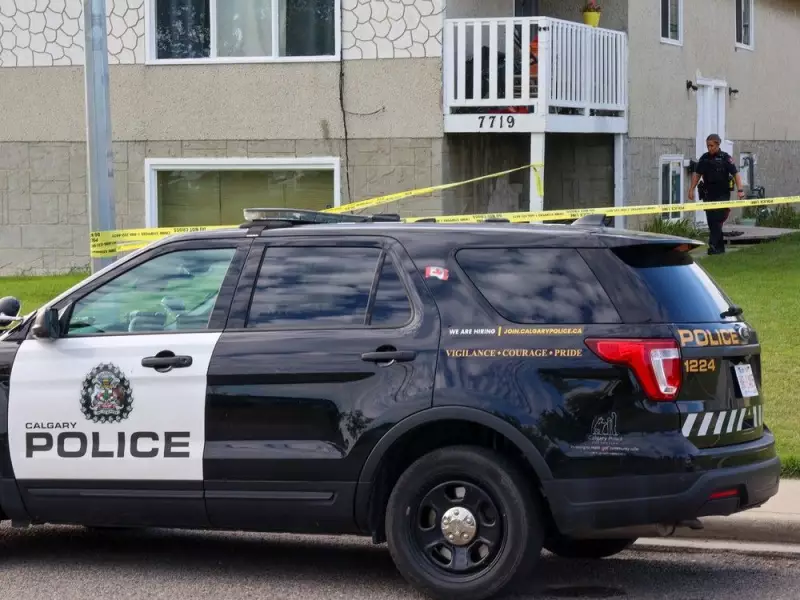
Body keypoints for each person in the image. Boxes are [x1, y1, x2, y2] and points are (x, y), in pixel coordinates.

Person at [688, 134, 745, 254]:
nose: (709, 148)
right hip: (708, 194)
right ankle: (719, 248)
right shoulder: (704, 158)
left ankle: (712, 246)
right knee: (711, 221)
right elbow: (697, 174)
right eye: (708, 146)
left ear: (718, 145)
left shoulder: (725, 158)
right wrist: (691, 189)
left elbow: (735, 174)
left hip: (722, 195)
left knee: (717, 220)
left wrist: (740, 190)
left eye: (711, 146)